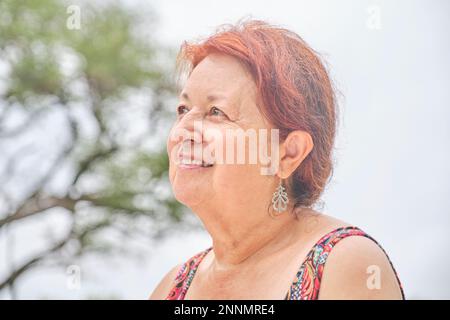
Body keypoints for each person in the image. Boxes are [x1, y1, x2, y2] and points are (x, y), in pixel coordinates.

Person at [150, 20, 405, 300]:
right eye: (183, 109)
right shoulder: (171, 287)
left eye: (216, 112)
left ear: (288, 153)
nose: (183, 130)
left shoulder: (346, 264)